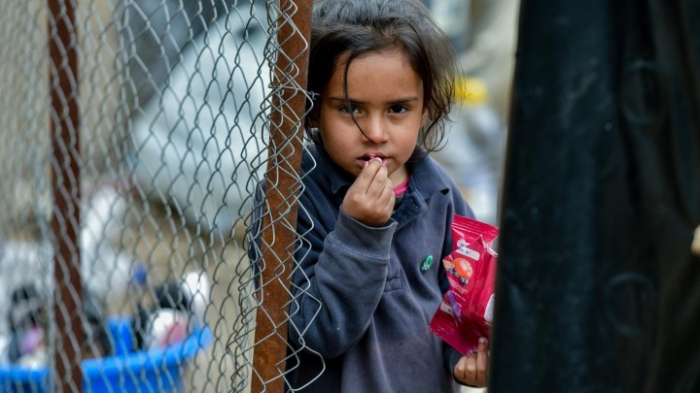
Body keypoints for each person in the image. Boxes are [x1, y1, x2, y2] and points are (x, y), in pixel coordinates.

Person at [248, 0, 490, 390]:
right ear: (312, 110)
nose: (375, 132)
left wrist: (462, 355)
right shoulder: (291, 196)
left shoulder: (440, 192)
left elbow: (461, 301)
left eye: (397, 108)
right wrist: (359, 232)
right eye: (350, 109)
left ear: (425, 108)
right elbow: (319, 331)